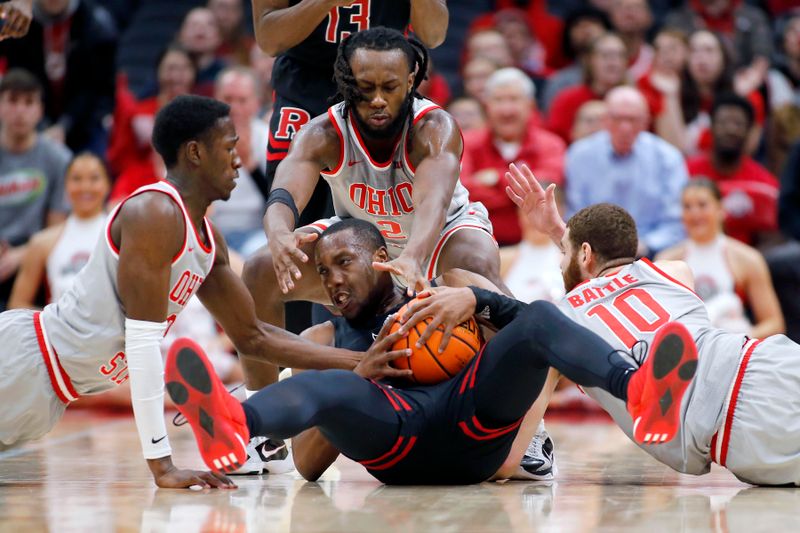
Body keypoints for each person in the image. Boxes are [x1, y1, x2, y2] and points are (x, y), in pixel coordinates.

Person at [0, 95, 389, 489]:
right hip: (22, 363)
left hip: (50, 391)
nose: (238, 160)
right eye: (228, 147)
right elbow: (142, 346)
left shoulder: (207, 239)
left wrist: (359, 359)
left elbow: (254, 336)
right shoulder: (155, 213)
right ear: (195, 153)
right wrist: (162, 464)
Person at [166, 217, 698, 484]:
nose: (332, 281)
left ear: (380, 258)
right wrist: (363, 369)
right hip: (396, 439)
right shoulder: (327, 339)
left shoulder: (445, 291)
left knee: (536, 314)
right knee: (322, 381)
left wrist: (477, 298)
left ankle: (642, 392)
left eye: (343, 264)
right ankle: (234, 423)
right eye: (324, 272)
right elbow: (307, 467)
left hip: (473, 426)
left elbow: (539, 346)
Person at [422, 163, 800, 487]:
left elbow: (507, 462)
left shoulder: (556, 329)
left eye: (564, 253)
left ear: (583, 253)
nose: (559, 262)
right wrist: (563, 233)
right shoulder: (671, 271)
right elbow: (603, 266)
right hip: (767, 360)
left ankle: (651, 388)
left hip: (734, 423)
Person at [245, 28, 503, 381]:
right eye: (366, 88)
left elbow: (434, 201)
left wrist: (414, 256)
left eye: (390, 87)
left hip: (441, 234)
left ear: (411, 79)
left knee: (477, 267)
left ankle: (528, 426)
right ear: (347, 83)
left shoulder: (434, 127)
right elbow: (284, 194)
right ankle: (263, 423)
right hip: (365, 245)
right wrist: (278, 234)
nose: (378, 99)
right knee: (260, 268)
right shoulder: (323, 134)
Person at [252, 0, 449, 226]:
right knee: (294, 220)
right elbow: (269, 40)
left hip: (377, 87)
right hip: (305, 87)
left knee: (371, 225)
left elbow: (434, 35)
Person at [565, 86, 687, 257]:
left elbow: (675, 221)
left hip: (653, 255)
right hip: (592, 255)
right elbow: (573, 214)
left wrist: (645, 246)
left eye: (633, 120)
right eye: (618, 119)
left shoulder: (668, 158)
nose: (625, 128)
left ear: (646, 121)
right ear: (605, 120)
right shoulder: (579, 155)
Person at [656, 179, 784, 338]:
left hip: (735, 346)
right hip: (690, 349)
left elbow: (774, 324)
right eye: (687, 207)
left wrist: (739, 339)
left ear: (720, 209)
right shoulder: (666, 260)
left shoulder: (747, 258)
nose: (695, 213)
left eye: (702, 205)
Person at [460, 67, 566, 246]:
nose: (506, 110)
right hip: (476, 246)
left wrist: (494, 178)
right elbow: (461, 193)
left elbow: (543, 192)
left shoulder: (551, 144)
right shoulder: (466, 143)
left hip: (538, 248)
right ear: (487, 106)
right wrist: (518, 196)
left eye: (514, 100)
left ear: (530, 105)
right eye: (499, 100)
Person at [0, 0, 118, 152]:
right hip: (31, 118)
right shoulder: (17, 19)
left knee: (91, 166)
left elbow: (98, 90)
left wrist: (65, 126)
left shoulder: (97, 26)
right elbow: (16, 77)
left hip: (84, 123)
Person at [0, 69, 71, 311]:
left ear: (40, 110)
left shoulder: (58, 158)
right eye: (12, 101)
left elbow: (57, 226)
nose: (20, 111)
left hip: (34, 257)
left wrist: (20, 256)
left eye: (28, 102)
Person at [8, 153, 110, 308]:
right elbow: (17, 303)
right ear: (65, 185)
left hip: (112, 330)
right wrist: (55, 322)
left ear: (108, 184)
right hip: (59, 330)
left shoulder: (121, 236)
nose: (85, 187)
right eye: (76, 179)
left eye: (94, 178)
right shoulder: (43, 241)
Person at [107, 44, 197, 204]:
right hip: (144, 180)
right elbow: (121, 155)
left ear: (194, 72)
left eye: (184, 69)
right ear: (158, 72)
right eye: (171, 68)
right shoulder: (139, 113)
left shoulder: (203, 114)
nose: (176, 76)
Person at [686, 93, 779, 245]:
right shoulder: (686, 173)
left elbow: (771, 236)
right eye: (723, 122)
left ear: (749, 130)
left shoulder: (764, 184)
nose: (730, 129)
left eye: (738, 124)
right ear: (711, 126)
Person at [547, 32, 628, 143]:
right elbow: (554, 142)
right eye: (606, 56)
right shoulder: (568, 99)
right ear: (590, 60)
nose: (614, 63)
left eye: (620, 56)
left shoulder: (634, 102)